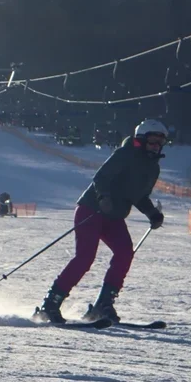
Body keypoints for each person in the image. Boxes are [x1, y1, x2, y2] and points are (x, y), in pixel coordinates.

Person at [35, 118, 168, 325]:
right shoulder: (125, 154)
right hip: (93, 209)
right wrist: (103, 198)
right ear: (141, 140)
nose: (155, 147)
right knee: (85, 257)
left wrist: (152, 214)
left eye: (159, 143)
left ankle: (103, 304)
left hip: (113, 216)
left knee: (125, 252)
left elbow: (138, 195)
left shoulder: (152, 168)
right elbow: (101, 178)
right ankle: (51, 304)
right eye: (151, 142)